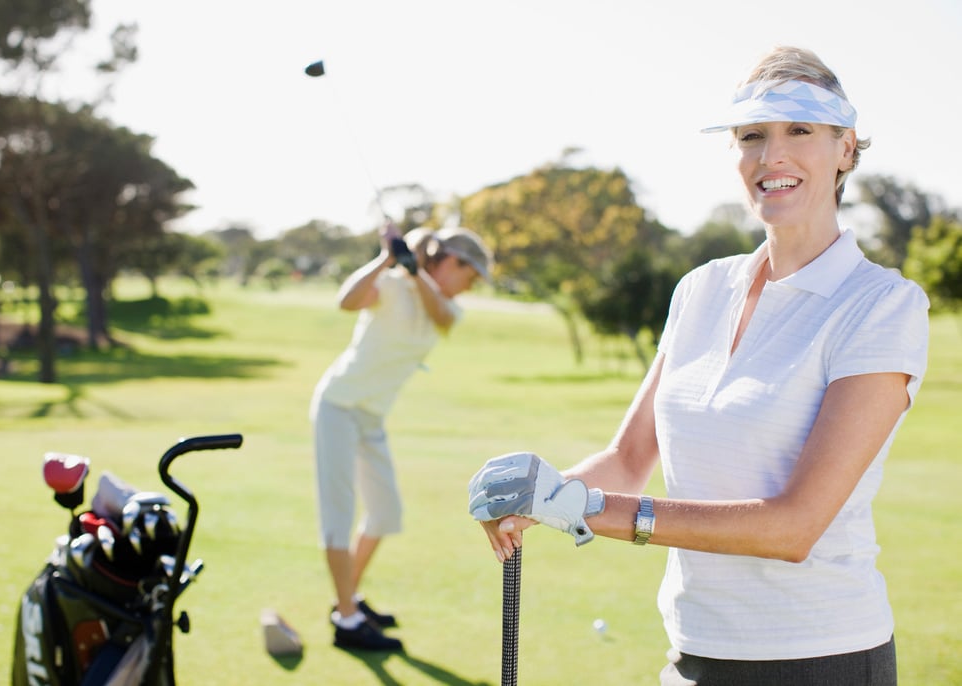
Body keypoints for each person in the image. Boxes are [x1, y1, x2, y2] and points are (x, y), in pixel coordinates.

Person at [468, 45, 929, 685]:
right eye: (751, 136)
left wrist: (580, 506)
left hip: (819, 657)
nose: (773, 156)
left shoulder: (881, 304)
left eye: (800, 130)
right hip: (693, 652)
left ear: (845, 148)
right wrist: (539, 494)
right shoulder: (702, 289)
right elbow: (628, 460)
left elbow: (794, 527)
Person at [313, 222, 493, 651]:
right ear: (451, 262)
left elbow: (442, 317)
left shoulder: (445, 307)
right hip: (338, 407)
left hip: (371, 418)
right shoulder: (391, 285)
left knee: (384, 512)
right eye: (469, 278)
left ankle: (345, 603)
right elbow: (346, 301)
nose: (468, 289)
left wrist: (416, 274)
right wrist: (386, 260)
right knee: (338, 516)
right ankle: (349, 621)